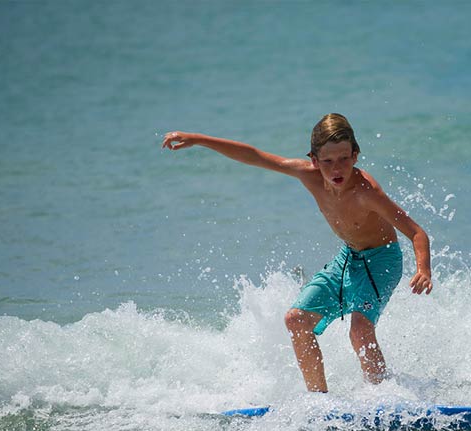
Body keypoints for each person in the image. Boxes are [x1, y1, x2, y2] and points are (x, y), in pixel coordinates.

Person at [162, 113, 432, 392]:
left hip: (381, 261)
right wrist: (197, 140)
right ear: (314, 159)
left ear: (355, 155)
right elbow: (255, 155)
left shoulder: (367, 192)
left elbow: (416, 232)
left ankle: (384, 396)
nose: (336, 168)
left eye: (343, 158)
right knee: (296, 319)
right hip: (348, 258)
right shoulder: (308, 175)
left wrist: (423, 269)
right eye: (327, 161)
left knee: (360, 331)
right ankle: (319, 401)